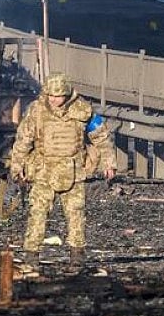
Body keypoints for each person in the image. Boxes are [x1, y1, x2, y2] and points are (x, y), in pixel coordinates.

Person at [9, 72, 116, 269]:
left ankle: (77, 255)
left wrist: (109, 162)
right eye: (50, 95)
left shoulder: (83, 110)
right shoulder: (37, 111)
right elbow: (23, 140)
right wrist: (17, 166)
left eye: (57, 96)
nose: (54, 99)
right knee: (38, 213)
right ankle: (31, 255)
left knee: (75, 214)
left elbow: (101, 137)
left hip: (73, 171)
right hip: (43, 171)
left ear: (66, 95)